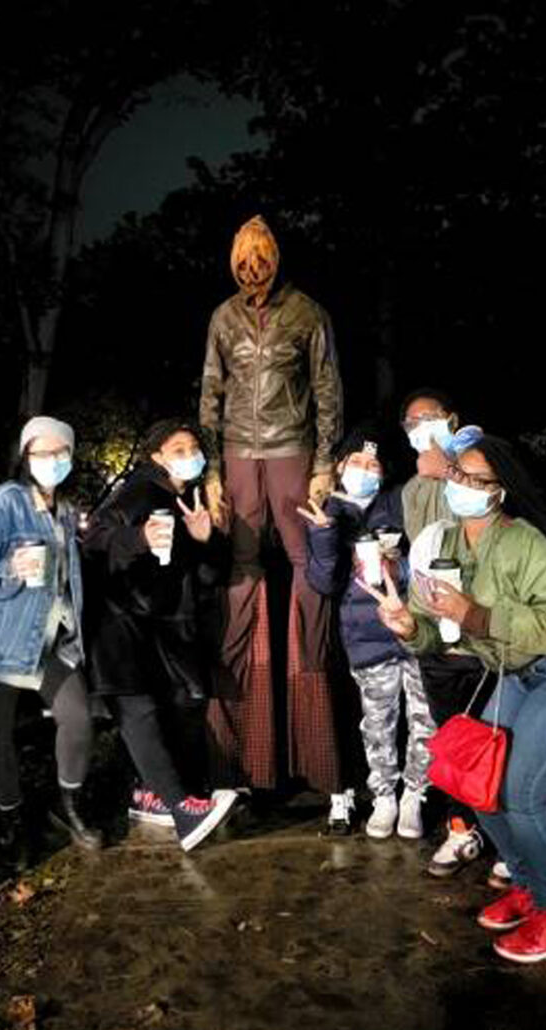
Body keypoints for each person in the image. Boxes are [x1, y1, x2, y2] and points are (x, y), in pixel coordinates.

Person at [363, 435, 546, 963]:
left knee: (520, 788)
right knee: (470, 777)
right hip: (519, 670)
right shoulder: (446, 545)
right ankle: (532, 885)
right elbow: (437, 630)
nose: (462, 486)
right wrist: (408, 627)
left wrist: (477, 616)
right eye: (457, 476)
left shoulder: (524, 542)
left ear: (500, 492)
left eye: (476, 479)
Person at [199, 215, 349, 827]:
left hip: (291, 447)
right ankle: (232, 757)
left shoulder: (307, 313)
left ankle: (313, 691)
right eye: (242, 260)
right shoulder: (223, 317)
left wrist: (322, 464)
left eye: (260, 259)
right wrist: (211, 471)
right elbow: (210, 392)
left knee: (306, 567)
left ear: (276, 259)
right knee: (240, 573)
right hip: (237, 451)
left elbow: (328, 389)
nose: (251, 269)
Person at [0, 416, 101, 863]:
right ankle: (13, 822)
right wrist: (7, 569)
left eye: (61, 453)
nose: (52, 461)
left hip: (48, 643)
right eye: (42, 452)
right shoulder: (0, 504)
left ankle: (68, 805)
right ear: (25, 456)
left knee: (78, 718)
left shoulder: (65, 510)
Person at [82, 418, 238, 852]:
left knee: (174, 708)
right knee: (142, 714)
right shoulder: (139, 493)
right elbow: (96, 540)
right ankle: (184, 811)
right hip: (116, 622)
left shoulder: (184, 498)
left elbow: (205, 575)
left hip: (155, 627)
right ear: (156, 456)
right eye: (179, 448)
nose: (190, 455)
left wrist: (206, 540)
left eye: (194, 447)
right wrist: (138, 538)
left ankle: (152, 794)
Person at [301, 423, 435, 838]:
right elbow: (324, 584)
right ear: (340, 466)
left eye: (372, 463)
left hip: (413, 629)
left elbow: (428, 550)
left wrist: (401, 559)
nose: (363, 469)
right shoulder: (327, 512)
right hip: (364, 639)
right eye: (355, 461)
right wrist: (324, 536)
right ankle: (384, 796)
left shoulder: (397, 502)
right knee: (377, 723)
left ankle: (416, 793)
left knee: (424, 719)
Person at [399, 388, 504, 879]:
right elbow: (423, 554)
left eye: (430, 417)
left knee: (500, 739)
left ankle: (510, 841)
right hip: (437, 639)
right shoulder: (412, 488)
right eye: (411, 423)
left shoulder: (486, 461)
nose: (420, 426)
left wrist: (453, 468)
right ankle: (461, 828)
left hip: (485, 635)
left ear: (453, 418)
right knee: (449, 741)